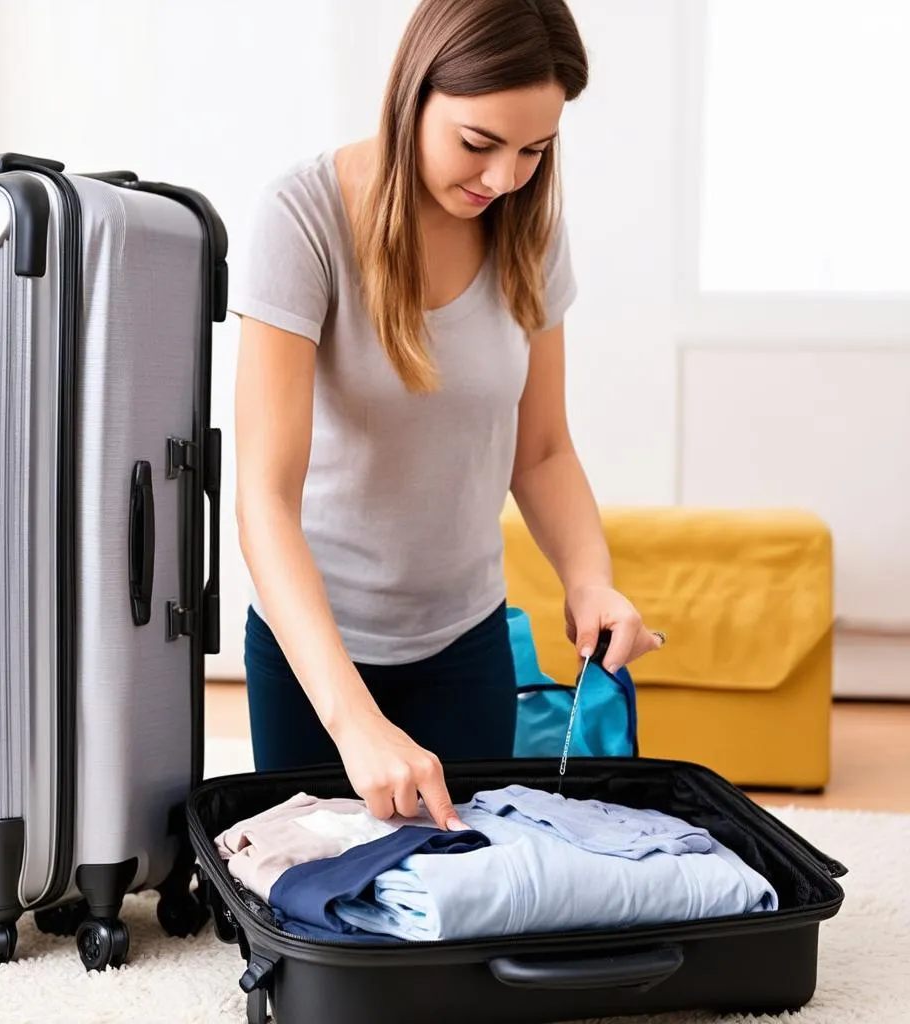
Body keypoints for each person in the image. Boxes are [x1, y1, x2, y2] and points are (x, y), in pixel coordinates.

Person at [230, 0, 664, 832]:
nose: (504, 178)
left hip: (465, 642)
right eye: (479, 143)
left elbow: (539, 451)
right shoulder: (303, 217)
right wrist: (354, 722)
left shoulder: (529, 229)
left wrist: (589, 578)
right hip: (314, 654)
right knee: (310, 912)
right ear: (414, 94)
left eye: (534, 150)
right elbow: (264, 500)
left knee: (465, 909)